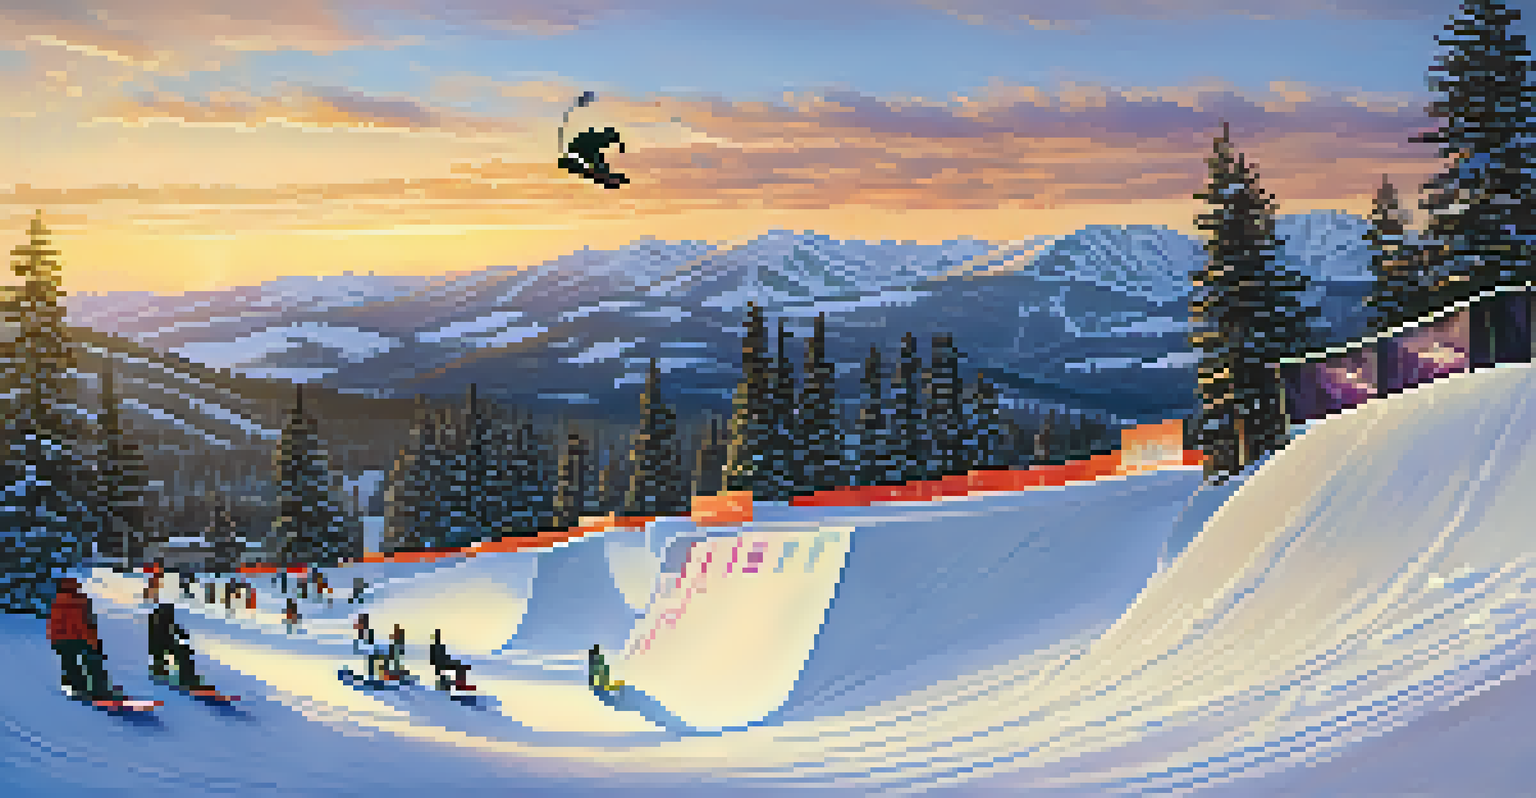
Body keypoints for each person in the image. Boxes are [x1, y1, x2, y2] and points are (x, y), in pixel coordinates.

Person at [48, 578, 119, 701]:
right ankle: (99, 690)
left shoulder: (57, 600)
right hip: (78, 638)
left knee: (70, 662)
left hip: (61, 639)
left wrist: (54, 639)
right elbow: (84, 623)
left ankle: (77, 686)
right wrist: (93, 641)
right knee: (93, 661)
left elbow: (53, 623)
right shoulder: (80, 601)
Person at [148, 603, 204, 689]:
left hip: (163, 642)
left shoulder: (164, 614)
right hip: (159, 644)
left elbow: (173, 626)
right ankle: (186, 678)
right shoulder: (156, 617)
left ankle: (186, 676)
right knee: (182, 651)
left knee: (184, 650)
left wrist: (182, 635)